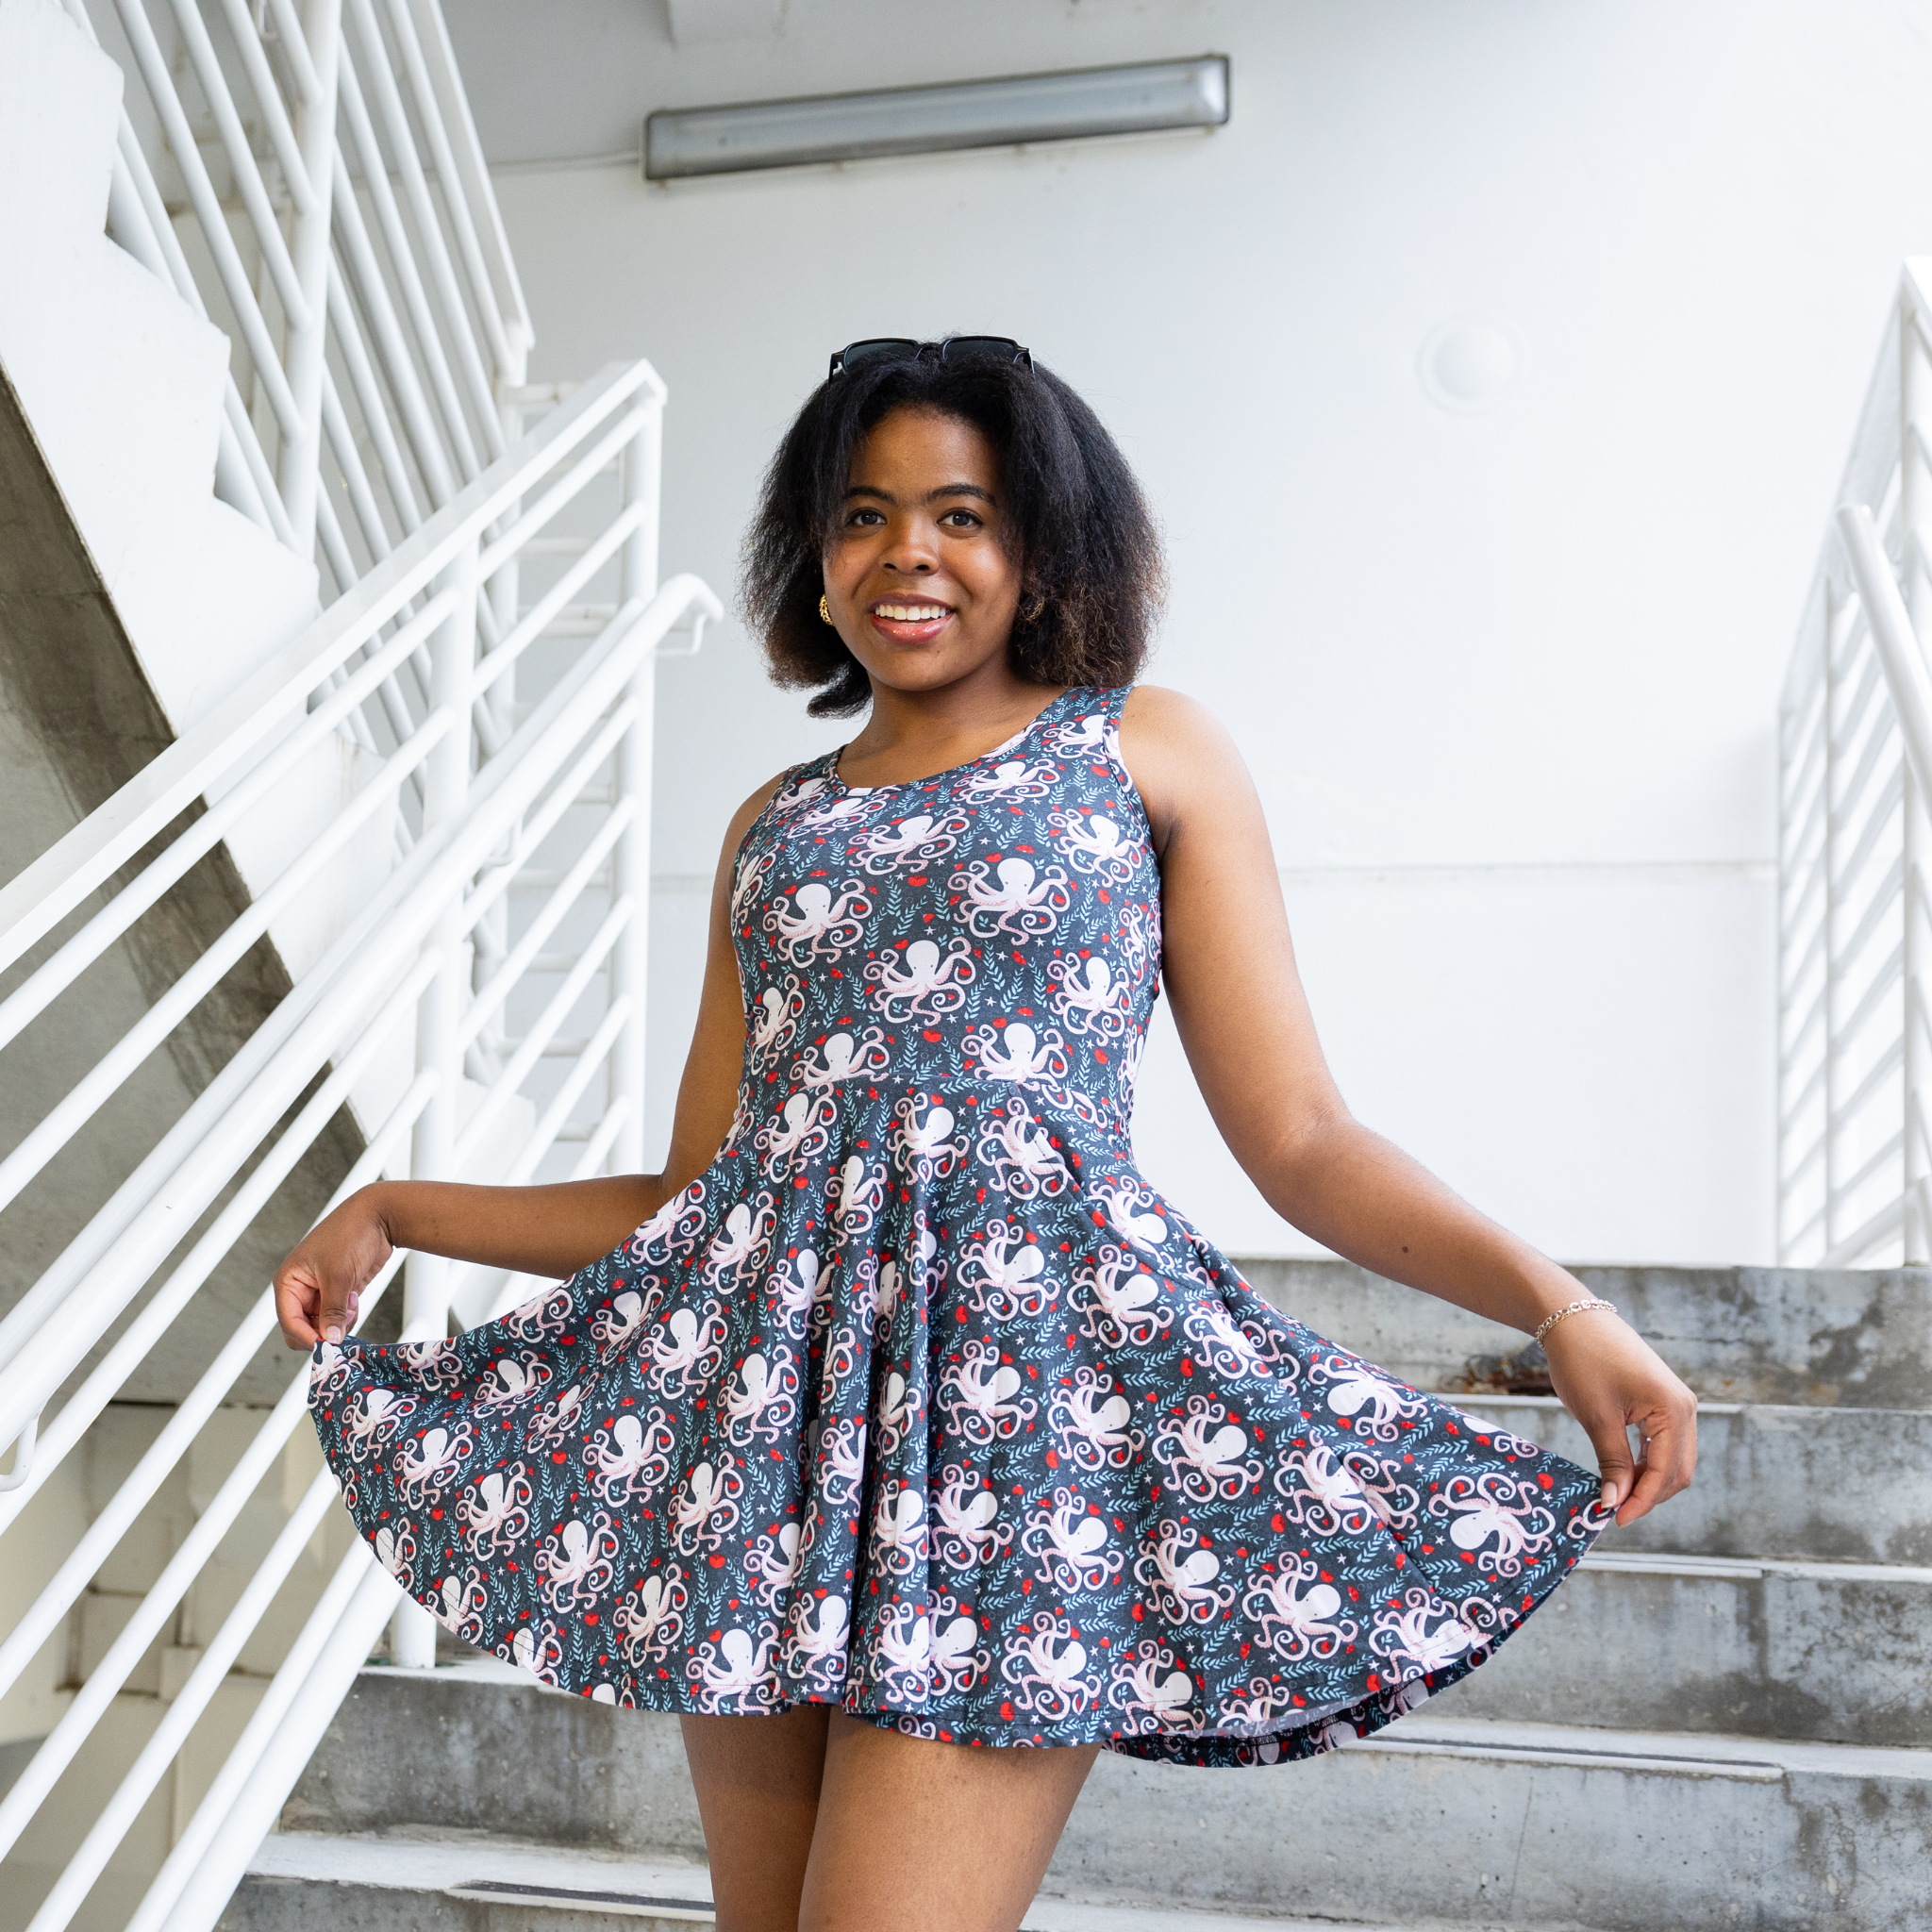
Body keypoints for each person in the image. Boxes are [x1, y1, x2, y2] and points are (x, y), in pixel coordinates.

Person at [275, 335, 1696, 1932]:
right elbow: (701, 1198)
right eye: (865, 514)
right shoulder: (777, 823)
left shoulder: (1144, 751)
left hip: (1016, 1446)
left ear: (1041, 549)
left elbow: (1298, 1137)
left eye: (963, 513)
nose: (910, 556)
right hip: (768, 1446)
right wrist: (398, 1208)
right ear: (813, 563)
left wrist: (1558, 1308)